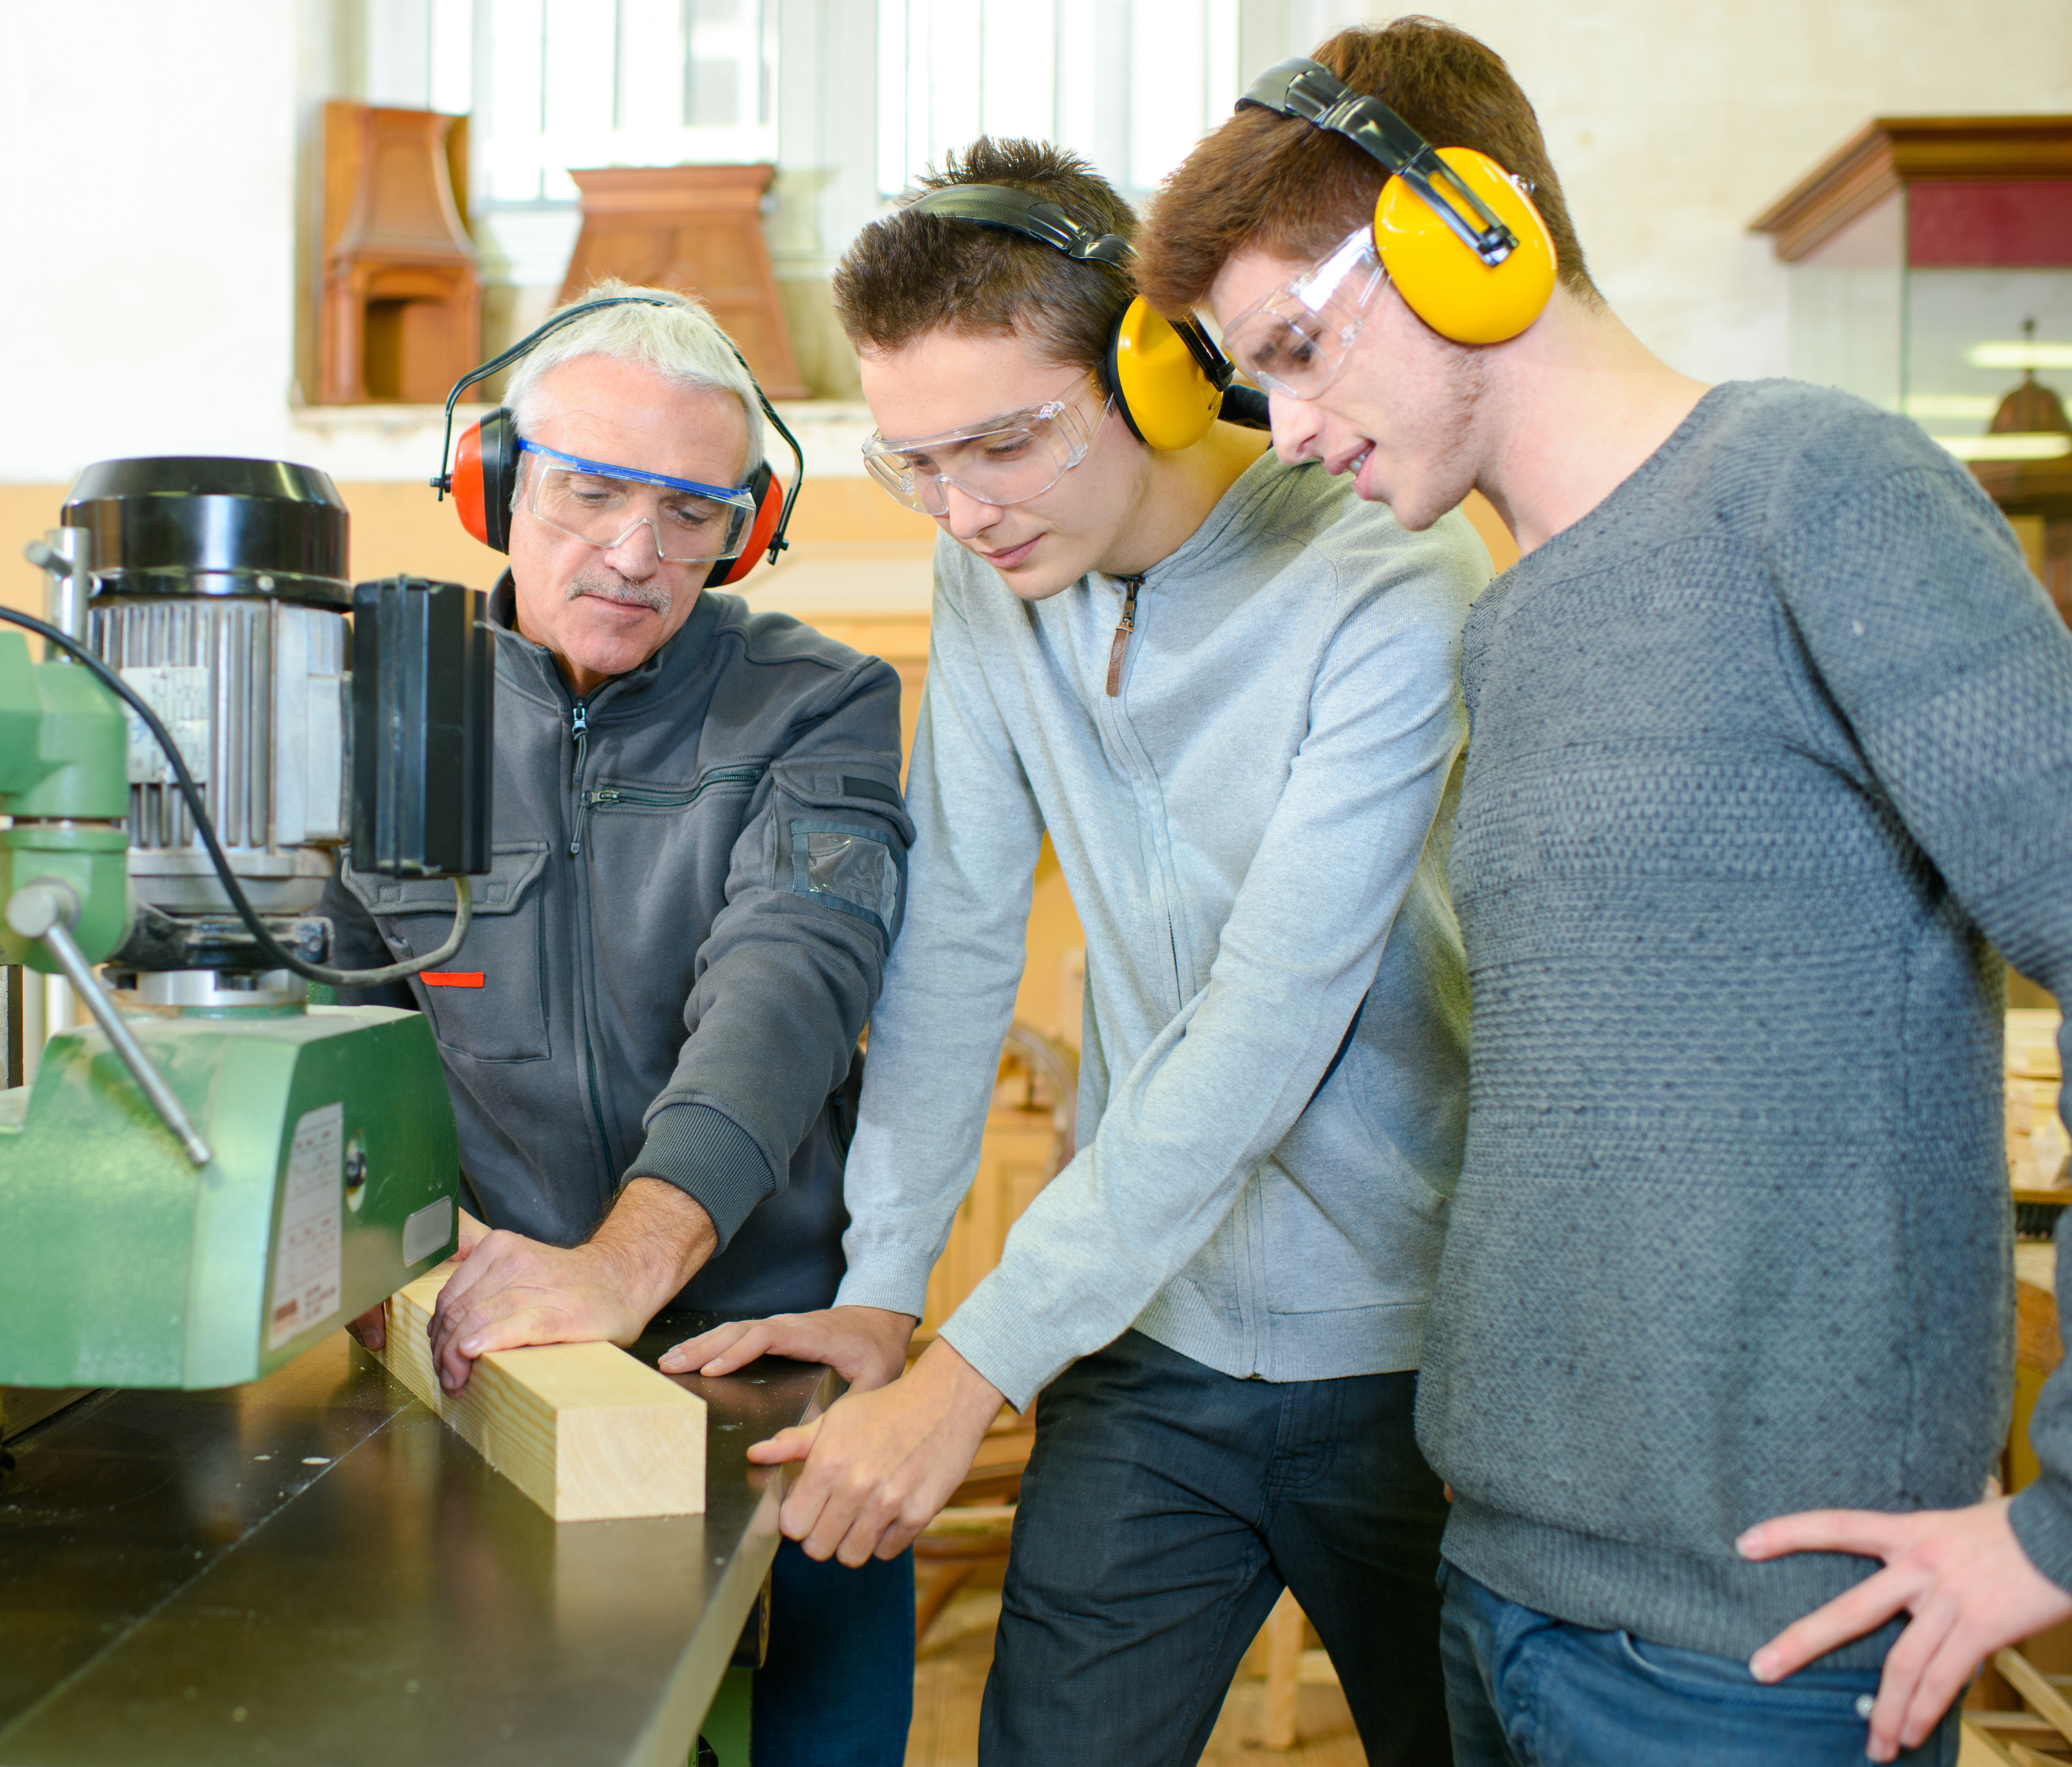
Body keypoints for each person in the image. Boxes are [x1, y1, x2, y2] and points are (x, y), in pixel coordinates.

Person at [1140, 20, 2072, 1766]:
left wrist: (2057, 1523)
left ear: (1464, 235)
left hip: (1755, 1653)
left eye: (1293, 349)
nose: (1284, 427)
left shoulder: (1812, 487)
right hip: (1497, 1592)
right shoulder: (1510, 615)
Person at [662, 139, 1491, 1764]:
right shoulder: (992, 582)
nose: (965, 509)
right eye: (915, 463)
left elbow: (1268, 1022)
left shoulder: (1387, 568)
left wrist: (968, 1366)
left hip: (1415, 1356)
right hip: (1148, 1339)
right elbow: (955, 934)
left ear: (1158, 367)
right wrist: (884, 1288)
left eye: (1008, 441)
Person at [319, 284, 915, 1765]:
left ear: (748, 528)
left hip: (773, 1355)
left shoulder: (816, 702)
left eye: (693, 513)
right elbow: (330, 1032)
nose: (637, 554)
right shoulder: (379, 700)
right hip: (491, 1348)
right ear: (496, 482)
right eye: (589, 492)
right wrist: (447, 1272)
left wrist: (627, 1264)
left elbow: (789, 981)